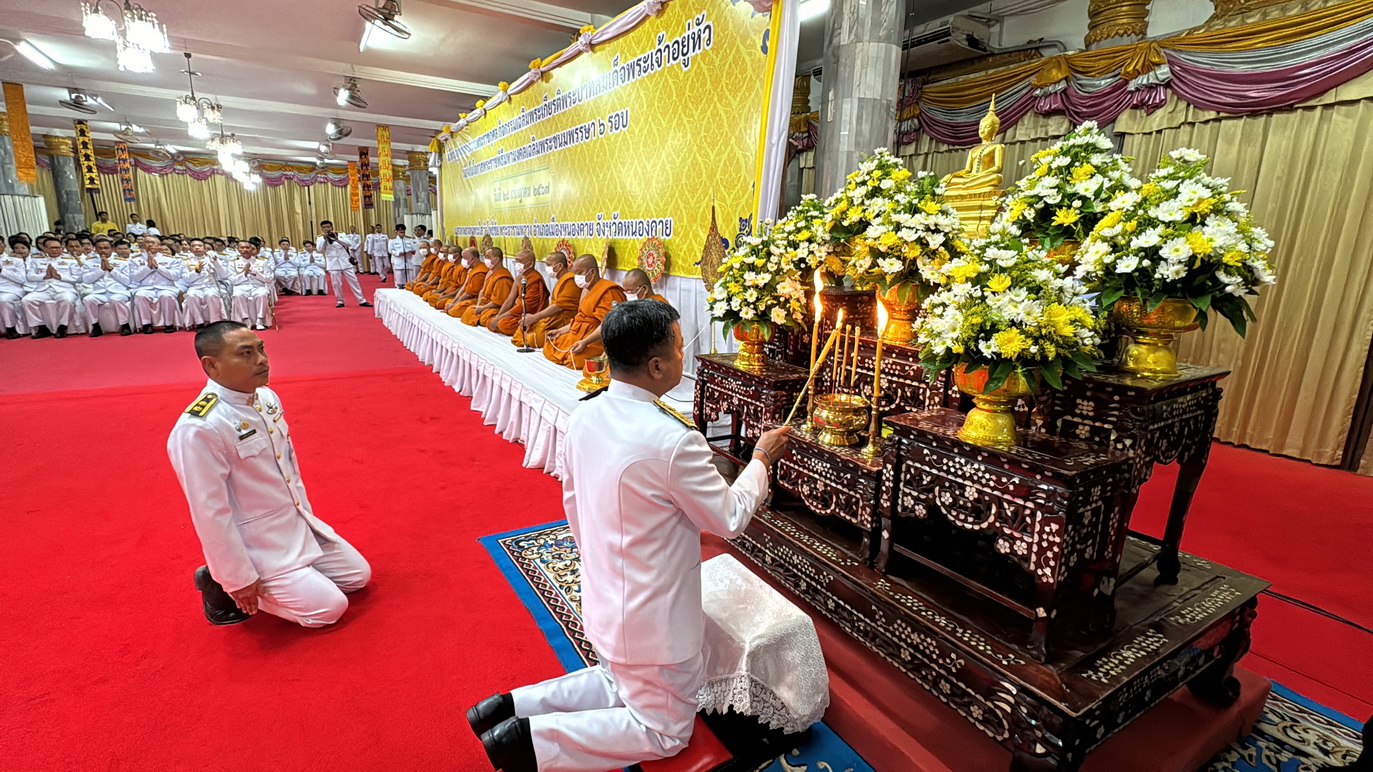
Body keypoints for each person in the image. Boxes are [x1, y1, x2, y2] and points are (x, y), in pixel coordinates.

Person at [469, 300, 791, 771]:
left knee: (616, 680)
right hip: (655, 622)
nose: (685, 359)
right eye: (680, 349)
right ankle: (530, 741)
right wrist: (761, 459)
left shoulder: (587, 413)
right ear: (657, 365)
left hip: (602, 595)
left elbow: (573, 504)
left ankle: (506, 707)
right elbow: (729, 518)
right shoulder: (673, 439)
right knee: (662, 731)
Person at [167, 321, 372, 627]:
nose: (262, 360)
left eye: (261, 348)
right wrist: (237, 577)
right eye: (246, 353)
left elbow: (286, 470)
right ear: (211, 366)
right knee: (328, 609)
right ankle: (220, 584)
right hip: (257, 545)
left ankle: (294, 576)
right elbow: (210, 511)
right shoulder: (200, 427)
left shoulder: (265, 398)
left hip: (296, 526)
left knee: (358, 576)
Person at [543, 255, 627, 370]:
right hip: (578, 334)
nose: (576, 277)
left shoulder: (609, 291)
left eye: (579, 273)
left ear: (592, 272)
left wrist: (585, 342)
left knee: (573, 359)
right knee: (551, 345)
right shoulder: (585, 290)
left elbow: (608, 324)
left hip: (597, 338)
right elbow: (579, 319)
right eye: (575, 273)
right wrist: (560, 331)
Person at [513, 252, 579, 349]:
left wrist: (535, 317)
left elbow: (558, 306)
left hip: (564, 321)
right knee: (523, 330)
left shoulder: (570, 281)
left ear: (560, 266)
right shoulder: (562, 280)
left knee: (532, 338)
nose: (546, 268)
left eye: (548, 264)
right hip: (553, 318)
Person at [23, 235, 84, 338]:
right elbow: (29, 276)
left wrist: (60, 276)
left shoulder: (71, 261)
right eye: (51, 247)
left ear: (62, 248)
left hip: (64, 289)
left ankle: (62, 326)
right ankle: (42, 327)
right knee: (26, 300)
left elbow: (79, 278)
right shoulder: (37, 260)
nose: (55, 250)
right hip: (43, 290)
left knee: (67, 300)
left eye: (58, 247)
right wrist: (44, 276)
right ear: (45, 249)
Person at [128, 235, 186, 334]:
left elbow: (175, 276)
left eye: (153, 242)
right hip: (145, 287)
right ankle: (146, 324)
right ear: (142, 245)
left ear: (159, 246)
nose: (150, 245)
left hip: (166, 287)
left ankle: (169, 324)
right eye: (147, 242)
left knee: (166, 296)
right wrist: (148, 267)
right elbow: (135, 278)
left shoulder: (170, 259)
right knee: (140, 296)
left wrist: (158, 267)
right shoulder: (134, 260)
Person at [487, 249, 549, 336]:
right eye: (516, 260)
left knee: (504, 324)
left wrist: (500, 318)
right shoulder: (519, 278)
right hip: (516, 313)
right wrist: (498, 316)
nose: (517, 264)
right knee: (490, 320)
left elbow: (525, 306)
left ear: (530, 264)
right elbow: (510, 299)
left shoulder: (535, 279)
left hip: (529, 315)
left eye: (520, 261)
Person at [81, 237, 134, 337]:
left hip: (118, 291)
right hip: (99, 292)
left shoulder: (122, 262)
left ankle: (124, 325)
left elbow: (127, 281)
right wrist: (101, 270)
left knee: (116, 299)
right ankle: (95, 326)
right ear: (95, 250)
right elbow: (86, 280)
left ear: (112, 249)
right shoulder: (89, 262)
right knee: (88, 300)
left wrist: (111, 270)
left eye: (106, 248)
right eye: (100, 248)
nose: (103, 250)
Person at [319, 220, 371, 309]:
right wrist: (324, 239)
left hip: (346, 262)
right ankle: (340, 301)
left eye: (328, 227)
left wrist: (337, 239)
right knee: (336, 284)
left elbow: (349, 244)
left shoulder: (341, 234)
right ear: (322, 229)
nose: (326, 229)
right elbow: (320, 249)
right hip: (333, 263)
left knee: (354, 281)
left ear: (332, 227)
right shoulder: (320, 238)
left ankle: (362, 300)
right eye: (324, 227)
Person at [179, 238, 227, 330]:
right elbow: (186, 279)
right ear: (190, 249)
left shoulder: (213, 259)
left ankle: (214, 322)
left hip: (211, 286)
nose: (196, 248)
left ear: (205, 249)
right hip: (195, 287)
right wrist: (197, 271)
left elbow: (223, 275)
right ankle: (199, 323)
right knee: (191, 296)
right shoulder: (186, 262)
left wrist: (216, 262)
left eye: (199, 246)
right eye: (193, 246)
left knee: (211, 295)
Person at [227, 240, 274, 330]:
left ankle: (260, 320)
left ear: (251, 249)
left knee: (262, 294)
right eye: (242, 247)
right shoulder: (233, 262)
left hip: (258, 286)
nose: (245, 250)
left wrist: (256, 273)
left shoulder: (262, 262)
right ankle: (246, 320)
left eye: (247, 247)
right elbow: (232, 280)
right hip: (241, 286)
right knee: (237, 295)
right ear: (238, 249)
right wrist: (244, 273)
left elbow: (269, 278)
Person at [461, 247, 513, 327]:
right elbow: (482, 291)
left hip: (495, 308)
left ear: (496, 260)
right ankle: (478, 318)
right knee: (469, 310)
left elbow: (498, 302)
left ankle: (480, 319)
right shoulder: (490, 272)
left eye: (488, 257)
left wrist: (482, 308)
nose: (485, 260)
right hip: (485, 305)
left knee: (485, 318)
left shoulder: (503, 278)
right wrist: (479, 306)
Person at [444, 248, 489, 319]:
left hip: (476, 300)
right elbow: (464, 287)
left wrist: (454, 304)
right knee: (448, 303)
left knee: (454, 310)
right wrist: (454, 302)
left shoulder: (480, 272)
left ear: (472, 259)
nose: (462, 260)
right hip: (465, 296)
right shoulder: (471, 269)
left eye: (464, 258)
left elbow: (469, 293)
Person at [1, 239, 32, 338]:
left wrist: (2, 270)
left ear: (4, 246)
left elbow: (21, 279)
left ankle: (11, 328)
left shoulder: (15, 260)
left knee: (4, 300)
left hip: (11, 289)